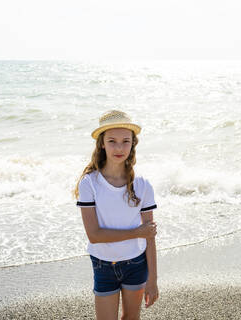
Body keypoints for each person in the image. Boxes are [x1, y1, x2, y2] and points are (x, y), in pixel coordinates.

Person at [74, 110, 158, 320]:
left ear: (133, 144)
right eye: (112, 141)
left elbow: (150, 236)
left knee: (132, 318)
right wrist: (137, 232)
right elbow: (94, 235)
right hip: (103, 264)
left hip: (136, 263)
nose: (119, 148)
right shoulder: (90, 183)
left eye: (125, 141)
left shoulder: (143, 185)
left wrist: (153, 280)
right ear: (102, 143)